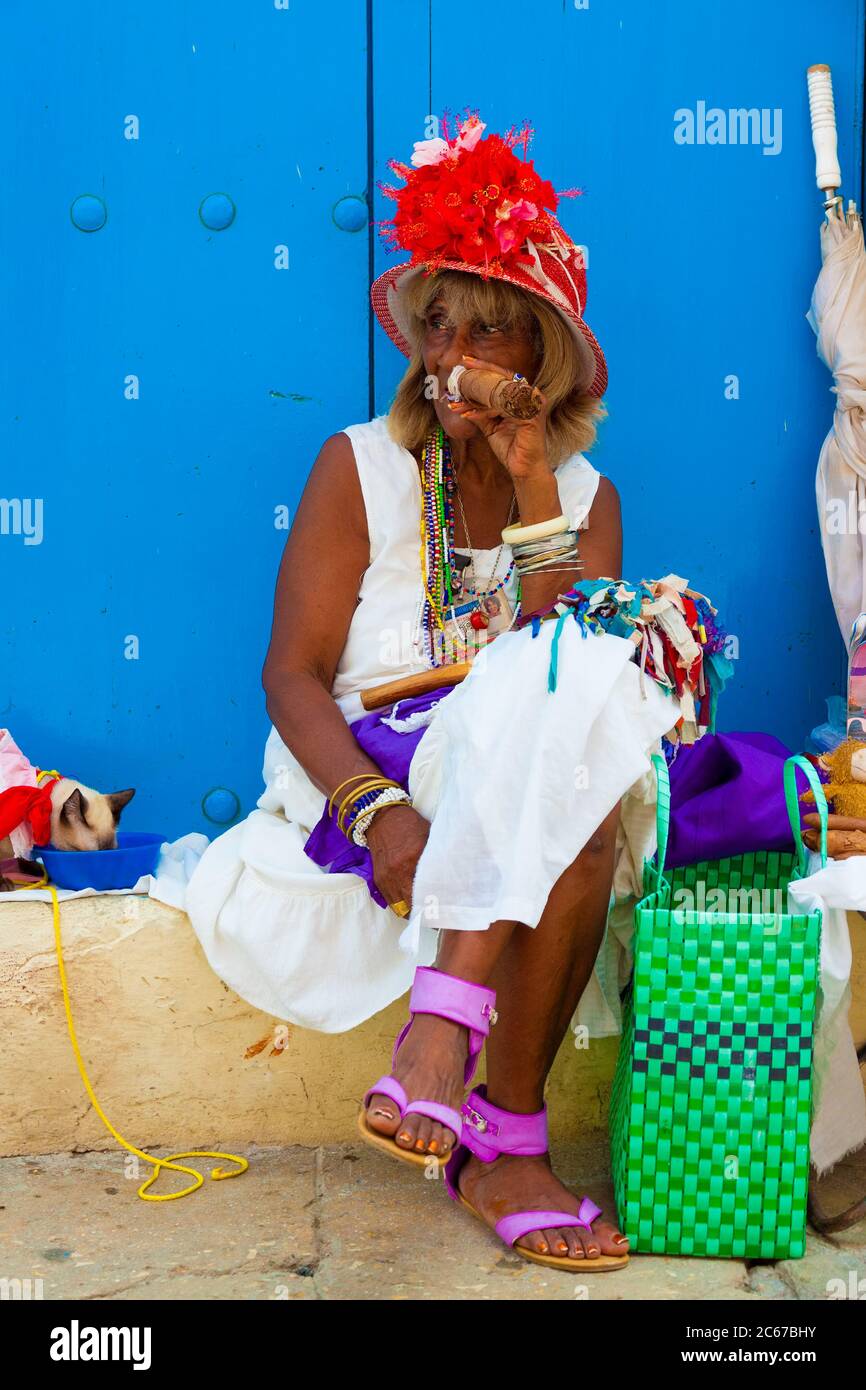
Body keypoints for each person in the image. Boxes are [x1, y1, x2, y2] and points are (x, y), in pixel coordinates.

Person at [186, 115, 711, 1272]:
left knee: (576, 694)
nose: (454, 349)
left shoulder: (580, 494)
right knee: (566, 744)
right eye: (440, 324)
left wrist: (528, 483)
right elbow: (292, 674)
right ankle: (507, 1134)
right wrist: (375, 811)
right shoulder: (359, 464)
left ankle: (447, 1042)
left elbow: (571, 677)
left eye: (489, 329)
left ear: (541, 358)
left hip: (522, 767)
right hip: (377, 767)